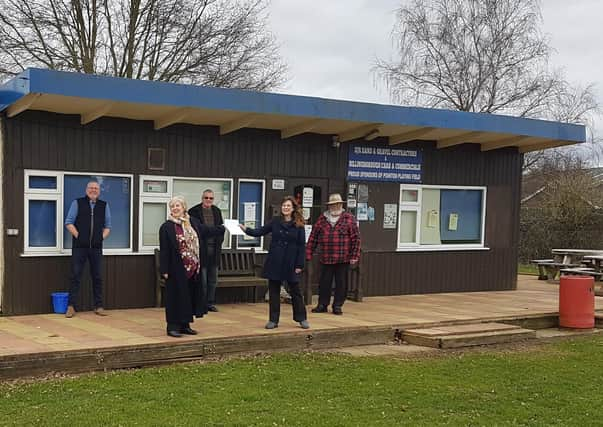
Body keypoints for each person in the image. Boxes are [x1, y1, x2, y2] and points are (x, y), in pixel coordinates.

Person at [240, 196, 309, 330]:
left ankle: (302, 318)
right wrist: (246, 230)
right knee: (274, 292)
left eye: (288, 206)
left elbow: (301, 246)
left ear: (293, 208)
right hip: (275, 260)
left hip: (291, 262)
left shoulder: (299, 225)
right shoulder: (275, 221)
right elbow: (260, 231)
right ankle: (273, 320)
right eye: (284, 205)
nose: (285, 208)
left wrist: (299, 265)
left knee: (296, 291)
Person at [159, 196, 225, 337]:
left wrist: (223, 228)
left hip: (193, 268)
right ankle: (172, 326)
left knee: (188, 296)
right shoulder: (167, 227)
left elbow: (207, 231)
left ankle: (185, 325)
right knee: (175, 297)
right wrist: (164, 270)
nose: (175, 208)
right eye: (173, 206)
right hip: (176, 267)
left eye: (178, 205)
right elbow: (164, 250)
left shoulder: (193, 222)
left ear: (184, 208)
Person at [306, 193, 360, 315]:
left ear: (341, 205)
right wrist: (308, 253)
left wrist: (354, 256)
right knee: (324, 283)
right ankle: (322, 305)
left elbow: (356, 239)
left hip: (343, 258)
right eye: (332, 204)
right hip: (326, 257)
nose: (335, 206)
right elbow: (313, 237)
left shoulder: (349, 218)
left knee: (342, 284)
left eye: (337, 204)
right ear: (329, 206)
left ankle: (337, 306)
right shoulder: (322, 219)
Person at [64, 180, 111, 318]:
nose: (93, 190)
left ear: (99, 191)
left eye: (96, 188)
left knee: (97, 277)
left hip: (96, 248)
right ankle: (71, 306)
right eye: (91, 188)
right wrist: (79, 236)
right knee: (75, 276)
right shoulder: (77, 203)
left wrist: (100, 238)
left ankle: (99, 306)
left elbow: (108, 226)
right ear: (86, 190)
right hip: (79, 247)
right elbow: (68, 222)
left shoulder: (104, 206)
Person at [188, 189, 225, 312]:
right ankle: (201, 303)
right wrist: (212, 231)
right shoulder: (194, 211)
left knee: (213, 279)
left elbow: (222, 229)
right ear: (202, 198)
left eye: (211, 198)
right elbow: (197, 231)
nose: (208, 200)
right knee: (202, 280)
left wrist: (218, 238)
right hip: (201, 251)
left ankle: (210, 302)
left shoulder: (217, 211)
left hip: (214, 251)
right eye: (206, 198)